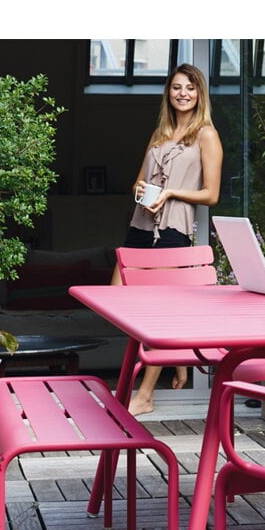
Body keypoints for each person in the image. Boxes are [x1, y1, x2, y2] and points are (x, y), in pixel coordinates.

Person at [112, 63, 223, 416]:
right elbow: (137, 183)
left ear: (199, 93)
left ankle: (143, 393)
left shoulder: (206, 134)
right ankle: (178, 359)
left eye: (189, 88)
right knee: (118, 301)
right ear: (169, 93)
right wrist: (140, 189)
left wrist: (172, 192)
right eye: (176, 88)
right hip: (140, 226)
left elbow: (211, 194)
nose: (183, 94)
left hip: (173, 230)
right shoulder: (160, 134)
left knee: (159, 314)